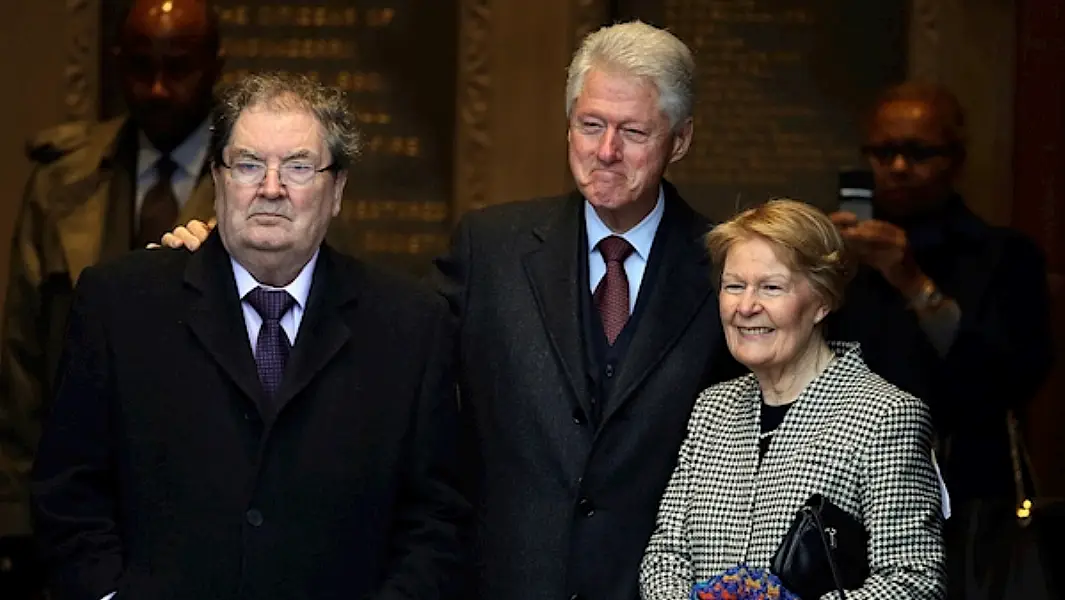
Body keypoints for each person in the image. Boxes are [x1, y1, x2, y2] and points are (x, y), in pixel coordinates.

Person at [30, 72, 467, 600]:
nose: (271, 187)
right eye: (248, 164)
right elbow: (68, 496)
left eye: (299, 167)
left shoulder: (411, 326)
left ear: (337, 190)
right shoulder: (119, 305)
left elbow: (436, 522)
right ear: (217, 180)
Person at [0, 2, 222, 590]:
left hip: (203, 501)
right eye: (140, 67)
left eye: (179, 68)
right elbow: (22, 366)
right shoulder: (62, 181)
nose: (156, 88)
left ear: (215, 65)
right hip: (79, 498)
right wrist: (16, 521)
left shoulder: (255, 187)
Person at [640, 198, 947, 599]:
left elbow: (915, 582)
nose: (746, 307)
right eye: (734, 286)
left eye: (771, 287)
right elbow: (666, 554)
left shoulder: (886, 416)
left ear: (822, 301)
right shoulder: (712, 408)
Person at [825, 82, 1053, 594]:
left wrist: (911, 281)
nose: (899, 167)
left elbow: (1011, 376)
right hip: (843, 492)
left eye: (919, 152)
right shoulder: (837, 257)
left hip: (962, 490)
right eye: (884, 152)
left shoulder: (1004, 256)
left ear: (955, 159)